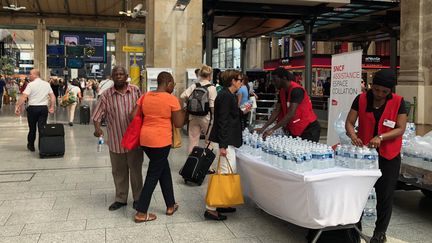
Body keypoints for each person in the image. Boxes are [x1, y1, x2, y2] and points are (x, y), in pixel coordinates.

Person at [345, 69, 407, 243]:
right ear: (371, 86)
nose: (379, 94)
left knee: (385, 195)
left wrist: (381, 137)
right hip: (365, 155)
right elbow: (349, 122)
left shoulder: (399, 102)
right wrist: (353, 135)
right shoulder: (361, 98)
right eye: (376, 89)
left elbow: (400, 128)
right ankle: (355, 228)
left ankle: (380, 232)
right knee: (359, 193)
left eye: (384, 91)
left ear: (390, 91)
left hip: (389, 155)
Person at [133, 71, 185, 223]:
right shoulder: (171, 99)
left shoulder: (145, 96)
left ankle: (171, 204)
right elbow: (179, 124)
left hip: (145, 140)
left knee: (164, 170)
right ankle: (141, 213)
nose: (173, 86)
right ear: (168, 83)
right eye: (173, 84)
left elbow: (132, 116)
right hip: (161, 141)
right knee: (153, 175)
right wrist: (183, 112)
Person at [92, 66, 143, 211]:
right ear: (112, 77)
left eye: (122, 74)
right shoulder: (107, 94)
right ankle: (121, 198)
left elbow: (144, 109)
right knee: (118, 172)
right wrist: (97, 129)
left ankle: (138, 198)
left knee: (135, 171)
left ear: (126, 76)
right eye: (116, 74)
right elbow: (97, 115)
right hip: (116, 140)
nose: (119, 76)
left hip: (134, 141)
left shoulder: (135, 91)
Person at [205, 69, 250, 221]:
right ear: (232, 81)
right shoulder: (225, 96)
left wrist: (242, 111)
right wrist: (223, 146)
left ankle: (221, 203)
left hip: (226, 140)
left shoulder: (227, 95)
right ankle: (211, 209)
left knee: (227, 172)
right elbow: (222, 121)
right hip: (224, 141)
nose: (241, 82)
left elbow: (229, 116)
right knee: (223, 173)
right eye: (239, 79)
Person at [257, 67, 320, 142]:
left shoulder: (297, 90)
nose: (273, 83)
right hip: (295, 128)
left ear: (284, 78)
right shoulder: (282, 91)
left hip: (308, 128)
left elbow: (291, 114)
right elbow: (276, 111)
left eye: (275, 80)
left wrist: (272, 129)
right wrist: (264, 127)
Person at [15, 69, 55, 152]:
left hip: (33, 109)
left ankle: (31, 145)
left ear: (35, 75)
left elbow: (24, 96)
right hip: (43, 108)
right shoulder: (46, 84)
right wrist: (52, 107)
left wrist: (18, 106)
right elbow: (52, 97)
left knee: (32, 128)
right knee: (42, 128)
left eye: (30, 74)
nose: (29, 76)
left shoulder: (30, 85)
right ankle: (42, 147)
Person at [180, 65, 217, 154]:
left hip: (193, 116)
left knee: (193, 140)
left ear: (200, 74)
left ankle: (192, 163)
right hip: (206, 117)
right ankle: (206, 165)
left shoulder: (194, 85)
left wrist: (189, 103)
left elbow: (182, 96)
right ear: (210, 76)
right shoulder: (211, 88)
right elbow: (212, 106)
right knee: (209, 142)